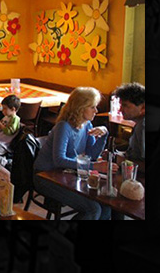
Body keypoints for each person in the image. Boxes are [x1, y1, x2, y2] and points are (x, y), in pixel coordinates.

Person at [33, 87, 117, 220]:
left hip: (64, 174)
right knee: (92, 209)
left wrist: (104, 134)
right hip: (44, 176)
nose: (96, 111)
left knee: (106, 205)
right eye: (92, 107)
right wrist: (94, 166)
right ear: (80, 108)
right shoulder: (64, 126)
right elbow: (59, 160)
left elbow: (91, 155)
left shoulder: (87, 124)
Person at [112, 82, 145, 169]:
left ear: (143, 107)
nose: (120, 110)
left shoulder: (143, 126)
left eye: (125, 105)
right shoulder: (139, 123)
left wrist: (121, 160)